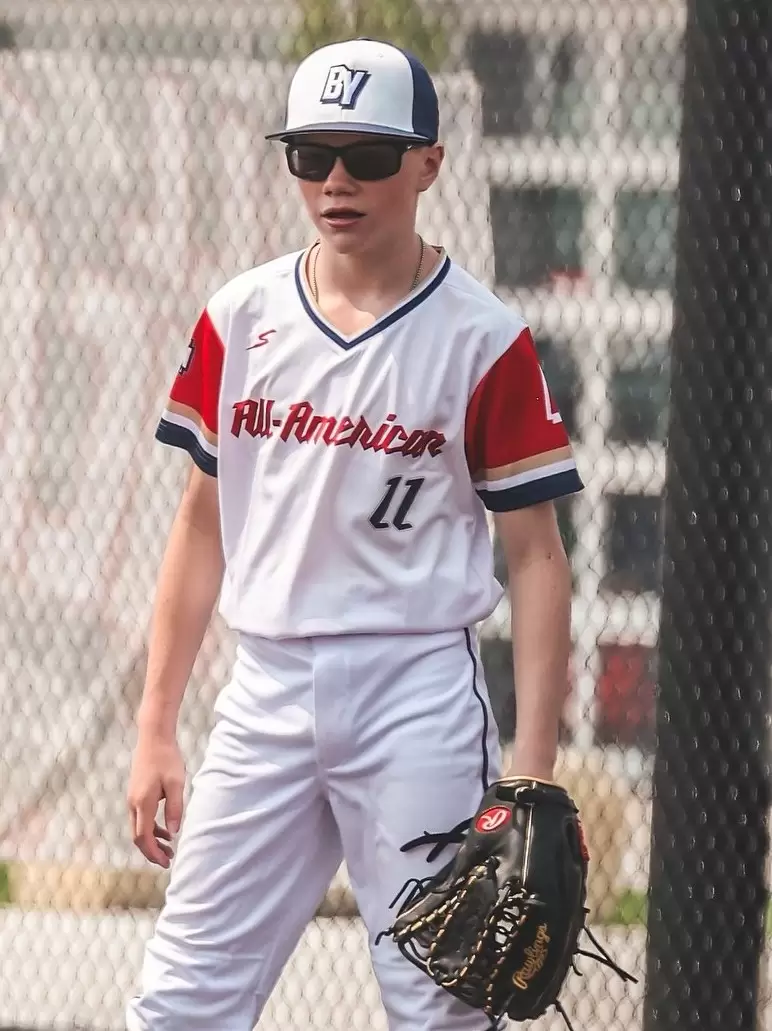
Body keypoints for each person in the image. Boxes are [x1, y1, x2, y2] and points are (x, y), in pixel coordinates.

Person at [125, 36, 583, 1031]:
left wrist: (535, 767)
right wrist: (157, 720)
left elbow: (538, 556)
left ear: (428, 164)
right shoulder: (239, 317)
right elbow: (200, 524)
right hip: (266, 687)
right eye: (311, 154)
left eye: (368, 155)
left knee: (442, 1007)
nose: (336, 181)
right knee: (178, 1002)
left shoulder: (483, 338)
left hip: (413, 692)